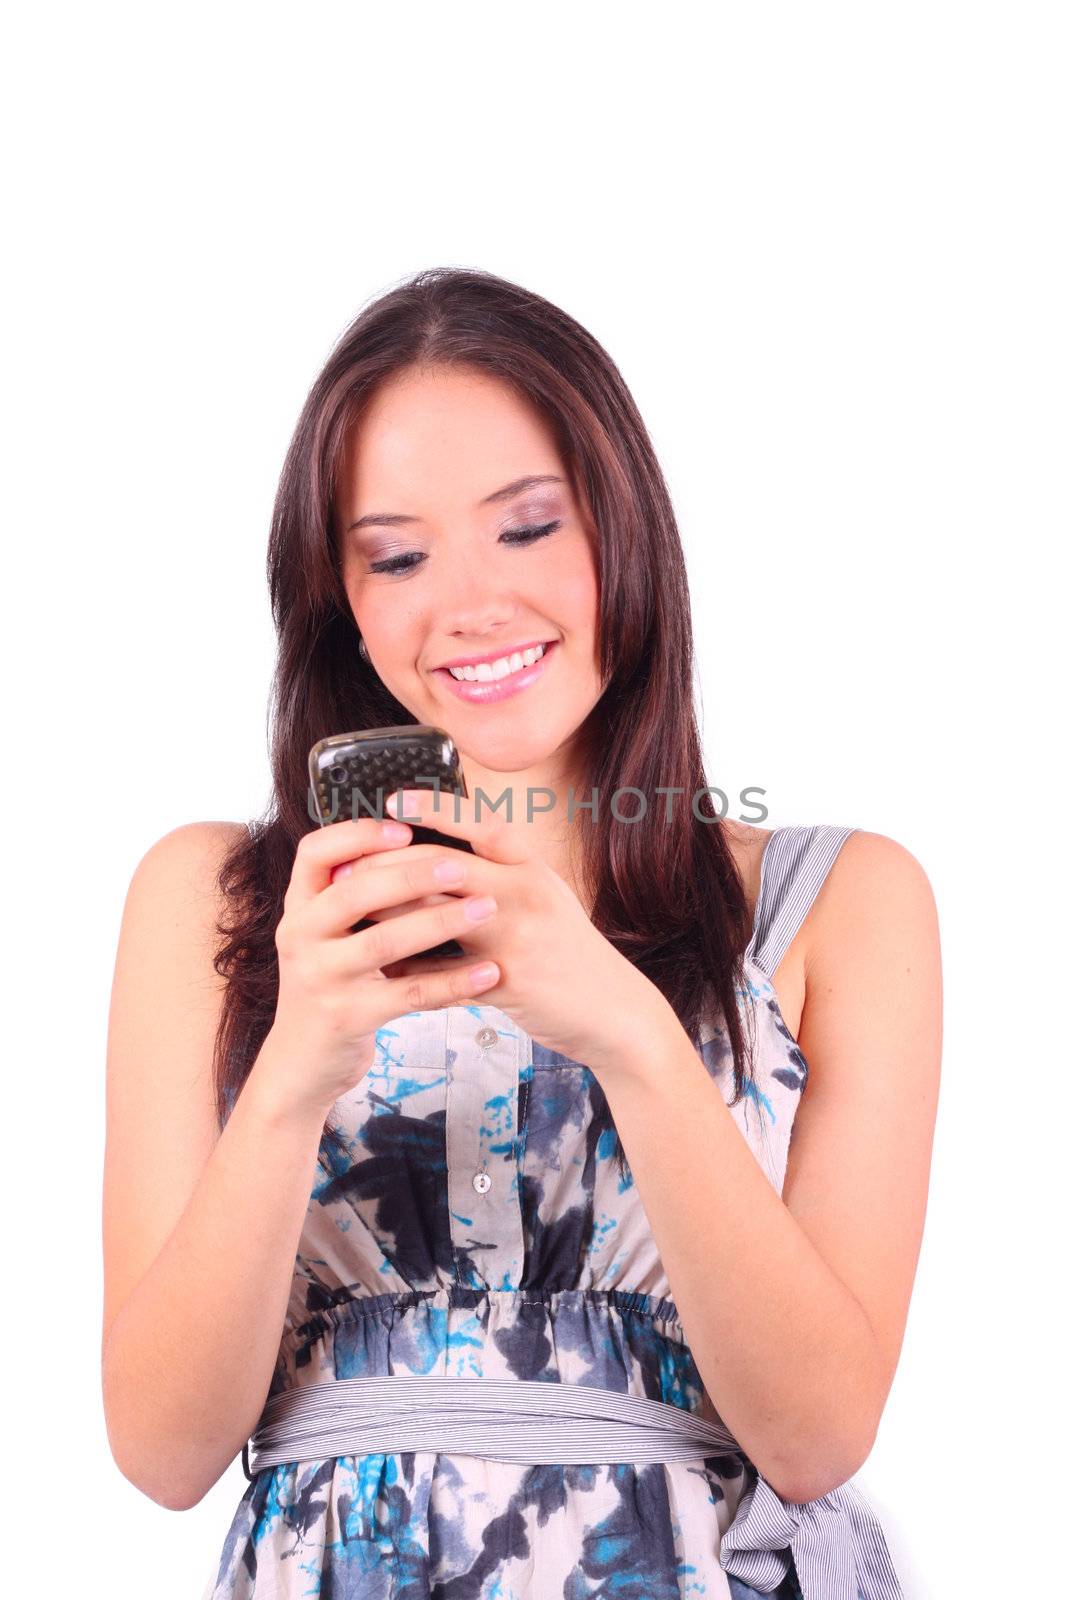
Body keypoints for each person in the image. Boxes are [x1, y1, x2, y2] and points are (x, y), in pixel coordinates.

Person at [101, 267, 941, 1599]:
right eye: (397, 554)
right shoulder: (215, 899)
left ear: (623, 529)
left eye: (529, 527)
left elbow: (819, 1433)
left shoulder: (836, 900)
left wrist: (629, 1035)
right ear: (343, 598)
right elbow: (160, 1448)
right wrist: (294, 1073)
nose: (470, 603)